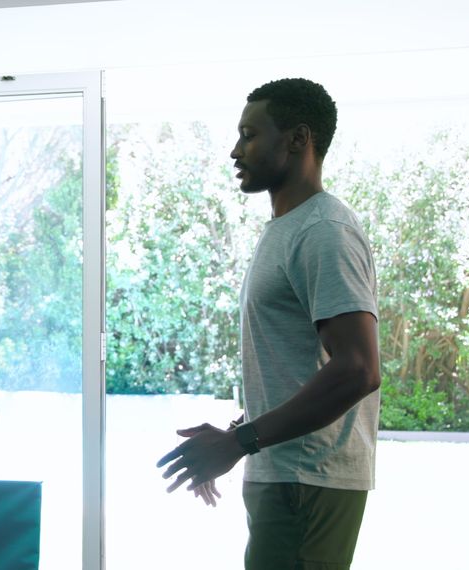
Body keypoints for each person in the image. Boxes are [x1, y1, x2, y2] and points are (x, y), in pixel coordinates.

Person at [156, 78, 382, 570]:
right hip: (287, 474)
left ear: (298, 139)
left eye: (249, 135)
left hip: (308, 478)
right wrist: (236, 433)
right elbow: (299, 367)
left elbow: (358, 369)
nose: (235, 151)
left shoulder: (323, 230)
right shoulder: (289, 228)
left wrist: (239, 442)